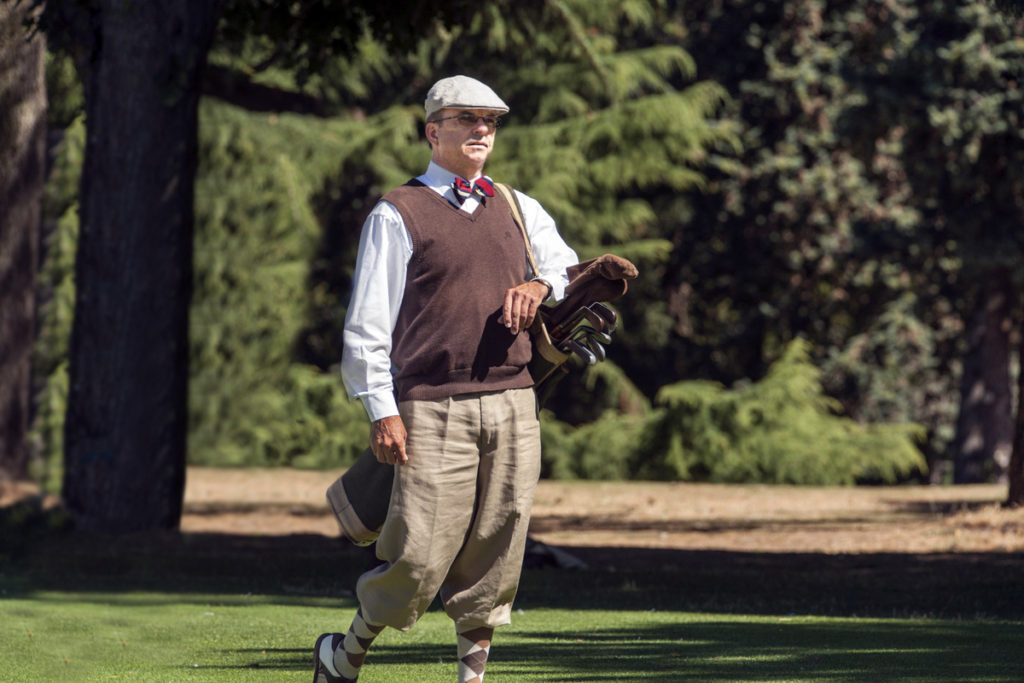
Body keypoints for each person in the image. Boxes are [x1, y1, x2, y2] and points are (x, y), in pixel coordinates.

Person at [313, 75, 578, 683]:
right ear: (434, 132)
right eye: (467, 120)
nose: (482, 130)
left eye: (490, 121)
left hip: (515, 401)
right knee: (417, 557)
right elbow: (366, 325)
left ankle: (472, 677)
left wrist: (540, 285)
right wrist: (381, 409)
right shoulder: (397, 213)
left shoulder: (516, 205)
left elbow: (566, 266)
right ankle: (344, 654)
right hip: (431, 408)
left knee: (498, 549)